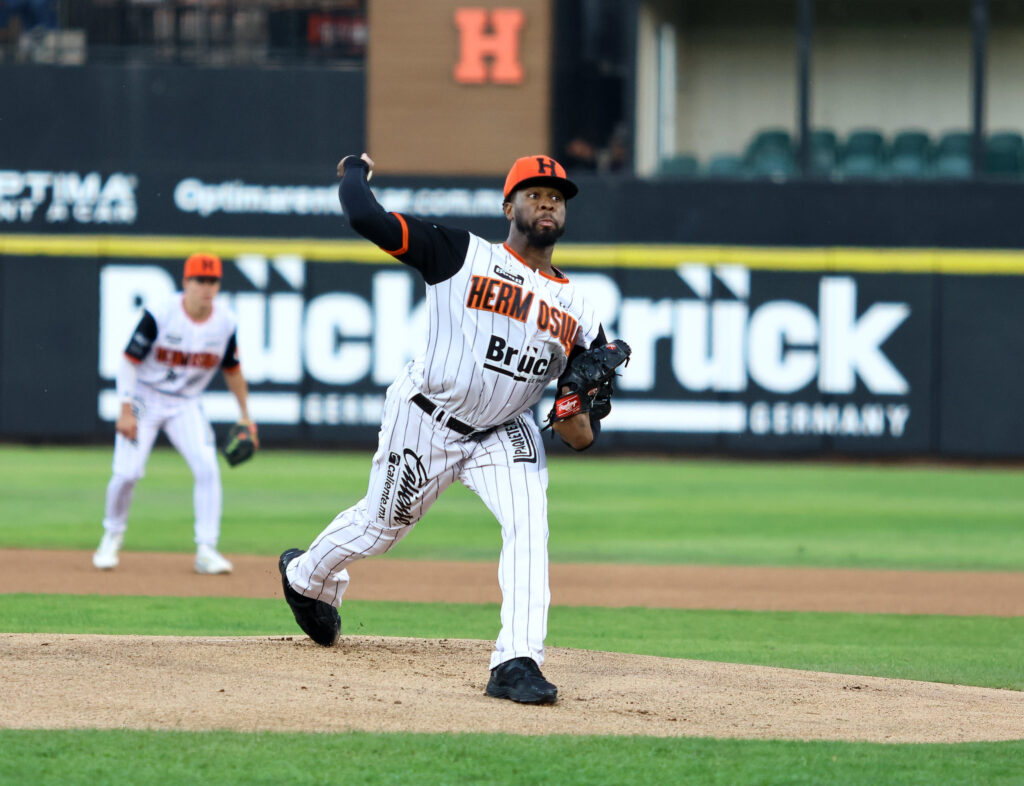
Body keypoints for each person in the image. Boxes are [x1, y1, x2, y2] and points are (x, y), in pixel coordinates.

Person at [279, 152, 613, 705]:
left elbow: (580, 436)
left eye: (557, 196)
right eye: (534, 193)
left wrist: (572, 404)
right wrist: (353, 173)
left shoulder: (581, 309)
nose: (548, 200)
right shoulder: (462, 253)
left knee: (530, 525)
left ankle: (516, 661)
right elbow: (367, 218)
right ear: (509, 206)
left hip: (505, 429)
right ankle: (306, 578)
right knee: (379, 528)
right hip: (427, 418)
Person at [93, 253, 256, 575]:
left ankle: (206, 549)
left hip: (186, 403)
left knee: (207, 468)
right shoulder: (161, 313)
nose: (207, 287)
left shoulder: (225, 322)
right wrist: (125, 408)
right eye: (200, 280)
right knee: (127, 473)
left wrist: (246, 416)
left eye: (212, 281)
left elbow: (233, 370)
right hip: (143, 398)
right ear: (186, 283)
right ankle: (112, 535)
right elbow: (128, 361)